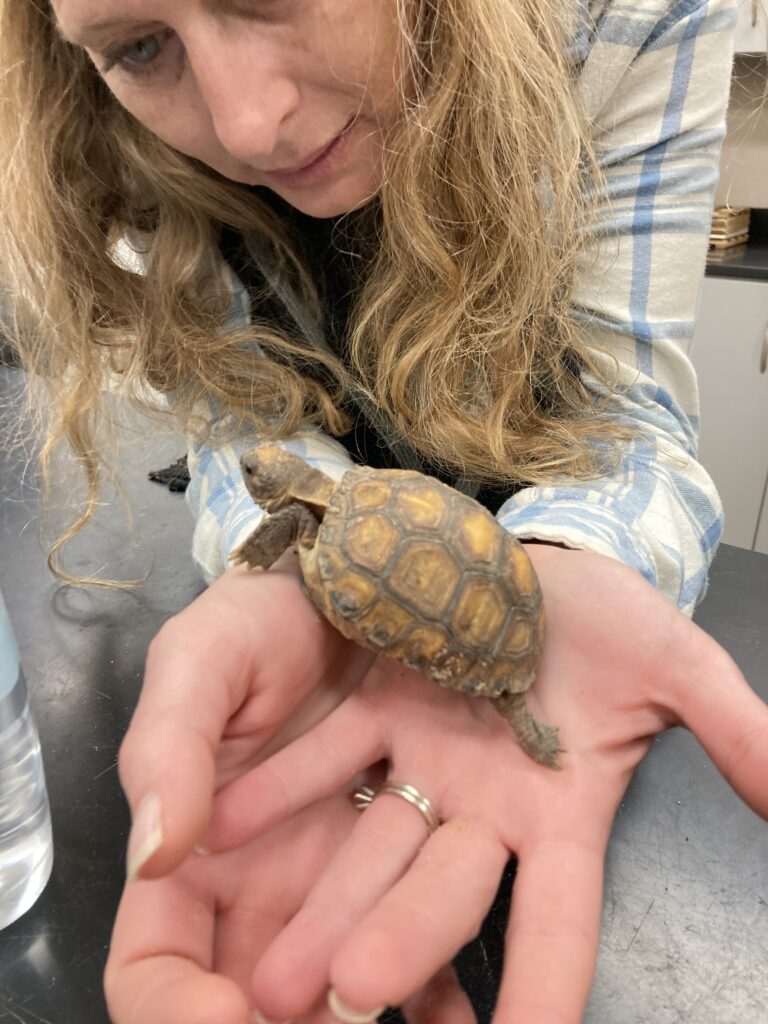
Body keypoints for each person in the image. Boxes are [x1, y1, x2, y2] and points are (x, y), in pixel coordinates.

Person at [0, 0, 765, 1022]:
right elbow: (241, 413)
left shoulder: (637, 18)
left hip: (524, 619)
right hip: (399, 591)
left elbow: (628, 414)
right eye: (139, 46)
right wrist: (267, 572)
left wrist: (575, 563)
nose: (246, 124)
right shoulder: (134, 144)